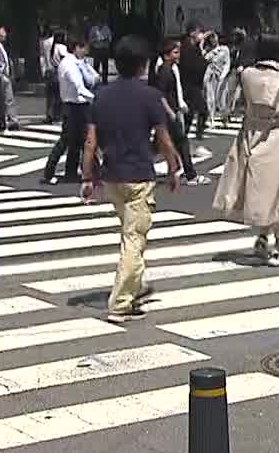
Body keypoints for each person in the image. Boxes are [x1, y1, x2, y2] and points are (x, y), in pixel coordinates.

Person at [81, 36, 184, 323]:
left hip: (112, 177)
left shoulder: (101, 95)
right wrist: (174, 168)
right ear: (143, 65)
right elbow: (163, 139)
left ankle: (135, 286)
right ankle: (121, 303)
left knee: (131, 234)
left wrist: (88, 175)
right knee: (134, 239)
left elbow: (90, 142)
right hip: (139, 176)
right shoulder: (149, 96)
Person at [214, 35, 279, 265]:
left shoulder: (249, 75)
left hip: (252, 134)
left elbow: (239, 101)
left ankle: (263, 237)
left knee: (260, 191)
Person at [152, 39, 211, 187]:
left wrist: (180, 105)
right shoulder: (164, 71)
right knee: (182, 142)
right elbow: (160, 95)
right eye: (175, 52)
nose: (178, 55)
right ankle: (190, 175)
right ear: (166, 55)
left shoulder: (171, 68)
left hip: (172, 112)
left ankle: (137, 167)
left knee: (158, 145)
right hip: (168, 114)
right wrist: (170, 112)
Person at [42, 37, 97, 185]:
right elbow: (79, 88)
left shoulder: (79, 62)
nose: (86, 52)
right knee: (68, 140)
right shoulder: (69, 65)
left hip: (80, 106)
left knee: (77, 141)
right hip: (73, 107)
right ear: (77, 48)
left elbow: (94, 77)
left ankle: (71, 173)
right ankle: (48, 173)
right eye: (84, 48)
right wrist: (96, 99)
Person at [180, 26, 211, 142]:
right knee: (199, 111)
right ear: (193, 33)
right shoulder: (187, 48)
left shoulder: (194, 47)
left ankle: (188, 135)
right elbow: (196, 66)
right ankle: (189, 135)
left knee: (192, 113)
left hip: (194, 85)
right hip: (189, 85)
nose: (201, 35)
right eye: (200, 33)